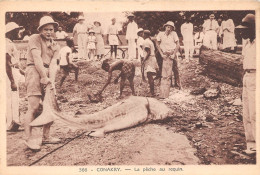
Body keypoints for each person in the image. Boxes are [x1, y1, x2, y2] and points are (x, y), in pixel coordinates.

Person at [24, 16, 61, 150]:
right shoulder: (35, 38)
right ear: (40, 30)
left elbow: (53, 64)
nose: (48, 32)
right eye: (45, 29)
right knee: (34, 107)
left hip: (47, 73)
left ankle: (46, 137)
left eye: (51, 29)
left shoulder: (56, 45)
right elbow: (37, 58)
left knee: (49, 105)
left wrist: (52, 81)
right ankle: (28, 138)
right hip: (34, 70)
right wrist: (43, 76)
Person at [236, 14, 256, 155]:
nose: (241, 32)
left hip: (257, 76)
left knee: (256, 112)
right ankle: (251, 144)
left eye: (245, 29)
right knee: (247, 112)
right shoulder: (247, 44)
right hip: (247, 76)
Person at [5, 22, 24, 131]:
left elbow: (12, 62)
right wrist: (12, 80)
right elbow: (6, 63)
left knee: (12, 97)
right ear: (11, 32)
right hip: (9, 73)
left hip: (12, 71)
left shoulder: (9, 43)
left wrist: (21, 71)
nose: (19, 32)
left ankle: (13, 121)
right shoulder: (7, 44)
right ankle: (11, 123)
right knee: (11, 98)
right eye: (16, 30)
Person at [156, 21, 180, 98]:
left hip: (172, 53)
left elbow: (178, 44)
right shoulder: (160, 34)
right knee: (162, 70)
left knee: (175, 69)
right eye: (168, 27)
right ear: (165, 27)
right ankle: (162, 85)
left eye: (171, 27)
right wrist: (161, 54)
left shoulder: (174, 34)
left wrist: (173, 54)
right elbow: (157, 44)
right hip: (164, 54)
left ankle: (177, 83)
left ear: (172, 28)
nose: (169, 29)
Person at [142, 30, 159, 97]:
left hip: (150, 59)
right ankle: (152, 91)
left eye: (143, 34)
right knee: (150, 76)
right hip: (152, 58)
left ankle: (152, 93)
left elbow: (148, 52)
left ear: (146, 35)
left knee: (149, 76)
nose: (143, 35)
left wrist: (144, 60)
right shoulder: (150, 41)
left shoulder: (146, 41)